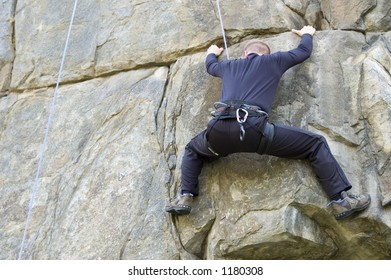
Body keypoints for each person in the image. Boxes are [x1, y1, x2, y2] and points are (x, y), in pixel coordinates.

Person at [165, 25, 371, 220]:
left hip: (218, 131)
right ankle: (340, 201)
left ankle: (185, 196)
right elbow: (303, 52)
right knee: (315, 144)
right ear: (266, 53)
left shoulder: (228, 65)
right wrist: (307, 33)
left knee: (193, 149)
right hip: (254, 131)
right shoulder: (274, 61)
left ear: (246, 54)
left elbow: (210, 66)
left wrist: (211, 52)